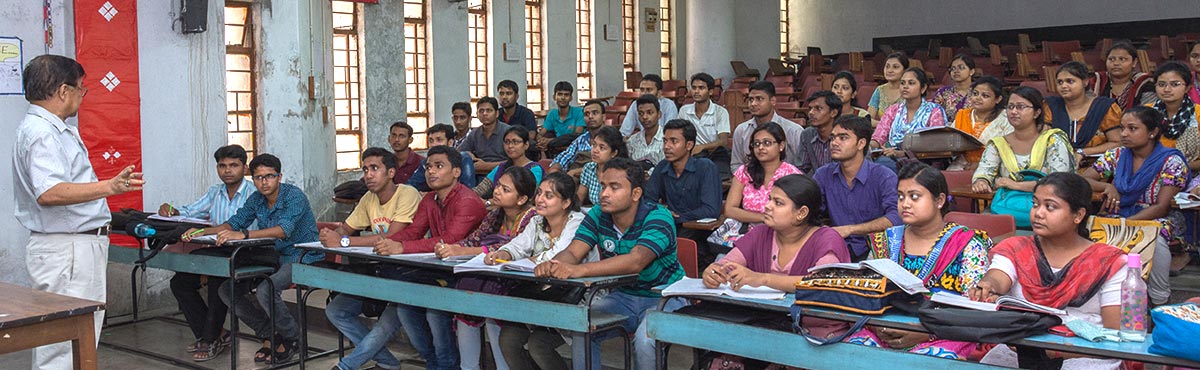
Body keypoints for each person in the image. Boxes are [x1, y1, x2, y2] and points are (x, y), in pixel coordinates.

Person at [13, 54, 143, 370]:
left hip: (72, 246)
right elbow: (50, 192)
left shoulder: (54, 128)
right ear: (63, 91)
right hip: (67, 250)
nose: (82, 96)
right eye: (81, 89)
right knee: (62, 344)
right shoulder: (43, 132)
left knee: (75, 339)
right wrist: (110, 187)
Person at [534, 157, 686, 370]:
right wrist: (554, 264)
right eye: (603, 186)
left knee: (645, 340)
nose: (604, 193)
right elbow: (574, 251)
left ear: (636, 194)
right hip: (624, 296)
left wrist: (578, 270)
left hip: (664, 298)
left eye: (614, 187)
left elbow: (636, 261)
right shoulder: (598, 213)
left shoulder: (658, 216)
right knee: (582, 328)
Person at [972, 173, 1129, 370]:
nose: (1038, 213)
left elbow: (1114, 331)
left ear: (1078, 215)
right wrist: (987, 286)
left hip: (1087, 353)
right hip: (1021, 350)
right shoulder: (1016, 248)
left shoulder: (1109, 262)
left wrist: (1053, 350)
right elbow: (998, 277)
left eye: (1050, 207)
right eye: (1035, 204)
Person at [696, 174, 851, 368]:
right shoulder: (761, 233)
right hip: (768, 322)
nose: (767, 206)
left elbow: (820, 283)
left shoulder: (827, 239)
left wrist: (761, 279)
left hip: (814, 332)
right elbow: (727, 264)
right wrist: (714, 272)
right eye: (770, 199)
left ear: (801, 213)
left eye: (778, 203)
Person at [182, 153, 322, 364]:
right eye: (258, 178)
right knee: (226, 290)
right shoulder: (256, 199)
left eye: (269, 176)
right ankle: (271, 334)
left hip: (302, 256)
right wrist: (203, 231)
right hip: (272, 256)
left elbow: (283, 230)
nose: (264, 182)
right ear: (253, 178)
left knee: (267, 289)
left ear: (279, 176)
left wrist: (244, 235)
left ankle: (293, 338)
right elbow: (235, 222)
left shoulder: (294, 196)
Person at [843, 163, 991, 359]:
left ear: (939, 200)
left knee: (929, 359)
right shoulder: (885, 241)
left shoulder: (966, 245)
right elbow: (867, 294)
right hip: (884, 329)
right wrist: (878, 325)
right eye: (900, 196)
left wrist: (925, 332)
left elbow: (974, 309)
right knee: (854, 351)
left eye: (914, 196)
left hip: (945, 334)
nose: (905, 204)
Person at [374, 146, 489, 370]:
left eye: (439, 166)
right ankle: (433, 361)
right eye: (428, 167)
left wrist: (401, 247)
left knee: (435, 312)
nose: (431, 172)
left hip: (469, 275)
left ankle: (447, 364)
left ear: (456, 172)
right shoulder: (430, 199)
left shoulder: (467, 200)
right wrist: (389, 242)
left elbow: (449, 239)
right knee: (405, 309)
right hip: (439, 271)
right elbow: (413, 231)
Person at [321, 147, 421, 370]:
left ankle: (346, 366)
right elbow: (346, 228)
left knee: (387, 321)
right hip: (379, 272)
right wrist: (331, 235)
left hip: (410, 275)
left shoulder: (407, 194)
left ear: (391, 172)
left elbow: (393, 237)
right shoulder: (368, 198)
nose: (368, 175)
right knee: (336, 310)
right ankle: (387, 363)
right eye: (365, 169)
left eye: (375, 168)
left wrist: (343, 242)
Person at [491, 172, 596, 370]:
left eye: (548, 195)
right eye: (539, 193)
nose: (539, 199)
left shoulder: (578, 222)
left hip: (577, 297)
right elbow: (517, 246)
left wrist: (527, 260)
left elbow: (557, 258)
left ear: (565, 203)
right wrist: (503, 254)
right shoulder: (537, 221)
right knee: (508, 340)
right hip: (543, 294)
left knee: (539, 346)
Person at [161, 144, 256, 362]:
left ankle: (210, 338)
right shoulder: (215, 192)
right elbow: (190, 211)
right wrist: (171, 210)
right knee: (180, 283)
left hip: (246, 252)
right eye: (222, 166)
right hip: (215, 253)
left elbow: (235, 227)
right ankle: (215, 334)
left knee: (216, 277)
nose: (227, 170)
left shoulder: (254, 193)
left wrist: (205, 231)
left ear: (245, 167)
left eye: (234, 165)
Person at [438, 166, 538, 370]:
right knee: (467, 297)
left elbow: (509, 248)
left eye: (505, 189)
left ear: (521, 198)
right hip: (485, 278)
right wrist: (451, 248)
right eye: (498, 185)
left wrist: (466, 252)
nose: (497, 191)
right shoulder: (494, 214)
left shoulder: (532, 218)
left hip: (516, 284)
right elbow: (474, 239)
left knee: (491, 307)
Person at [1082, 106, 1184, 305]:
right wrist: (1105, 186)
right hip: (1118, 216)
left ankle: (1159, 298)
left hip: (1155, 218)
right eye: (1122, 128)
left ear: (1153, 132)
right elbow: (1084, 180)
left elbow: (1161, 206)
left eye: (1132, 128)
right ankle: (1097, 298)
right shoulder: (1117, 155)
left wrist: (1125, 225)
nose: (1124, 134)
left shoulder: (1171, 161)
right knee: (1088, 234)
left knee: (1155, 239)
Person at [972, 87, 1075, 227]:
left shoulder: (1053, 141)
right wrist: (981, 181)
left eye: (1021, 107)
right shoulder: (998, 144)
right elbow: (984, 172)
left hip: (1049, 209)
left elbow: (1059, 182)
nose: (1014, 112)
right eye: (1010, 107)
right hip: (1007, 207)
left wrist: (1015, 185)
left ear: (1037, 112)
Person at [812, 116, 901, 261]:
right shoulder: (823, 175)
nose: (834, 143)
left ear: (861, 143)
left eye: (843, 138)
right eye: (833, 138)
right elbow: (810, 212)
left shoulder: (883, 176)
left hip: (876, 250)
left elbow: (896, 217)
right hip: (836, 247)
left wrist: (850, 229)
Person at [643, 119, 723, 265]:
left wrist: (678, 217)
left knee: (679, 240)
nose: (666, 147)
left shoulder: (705, 167)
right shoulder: (662, 167)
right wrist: (663, 211)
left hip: (698, 231)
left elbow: (711, 210)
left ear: (689, 145)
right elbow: (648, 200)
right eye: (665, 141)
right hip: (669, 225)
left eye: (673, 141)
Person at [722, 122, 803, 249]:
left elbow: (796, 213)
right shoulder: (745, 172)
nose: (760, 148)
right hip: (749, 235)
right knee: (722, 262)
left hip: (783, 236)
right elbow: (730, 209)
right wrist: (763, 218)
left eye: (767, 143)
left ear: (781, 146)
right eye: (756, 144)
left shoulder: (792, 174)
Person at [871, 67, 947, 171]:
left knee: (884, 166)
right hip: (893, 157)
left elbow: (934, 144)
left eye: (911, 83)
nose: (905, 87)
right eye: (902, 83)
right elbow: (879, 137)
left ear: (923, 88)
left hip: (923, 160)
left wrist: (903, 154)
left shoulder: (934, 111)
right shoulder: (893, 110)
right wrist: (869, 146)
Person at [1046, 61, 1123, 162]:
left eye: (1070, 81)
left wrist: (1083, 152)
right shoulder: (1051, 106)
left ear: (1085, 82)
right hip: (1057, 166)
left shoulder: (1104, 107)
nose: (1063, 86)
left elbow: (1117, 143)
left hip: (1097, 168)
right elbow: (1042, 141)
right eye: (1060, 82)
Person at [730, 81, 804, 173]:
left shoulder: (793, 131)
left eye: (759, 99)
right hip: (751, 182)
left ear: (773, 101)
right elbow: (736, 165)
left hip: (786, 183)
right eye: (751, 99)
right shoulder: (741, 130)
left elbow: (802, 167)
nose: (753, 104)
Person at [1146, 61, 1200, 170]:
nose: (1167, 89)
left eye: (1175, 84)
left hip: (1192, 173)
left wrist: (1176, 168)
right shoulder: (1146, 112)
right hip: (1150, 170)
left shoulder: (1198, 113)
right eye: (1161, 84)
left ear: (1187, 88)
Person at [677, 72, 732, 178]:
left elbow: (723, 141)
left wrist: (702, 147)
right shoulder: (684, 110)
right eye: (694, 88)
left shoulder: (720, 112)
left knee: (718, 178)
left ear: (710, 91)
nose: (696, 91)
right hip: (692, 154)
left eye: (701, 88)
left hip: (715, 153)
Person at [953, 76, 1012, 169]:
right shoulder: (963, 115)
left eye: (985, 96)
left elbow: (1009, 150)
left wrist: (980, 164)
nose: (978, 98)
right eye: (975, 94)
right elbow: (952, 142)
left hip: (995, 167)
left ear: (998, 99)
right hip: (962, 165)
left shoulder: (1006, 119)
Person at [472, 125, 544, 198]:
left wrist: (491, 203)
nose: (510, 146)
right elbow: (480, 189)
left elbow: (529, 197)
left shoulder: (534, 168)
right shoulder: (501, 167)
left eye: (515, 142)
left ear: (526, 145)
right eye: (507, 142)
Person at [408, 123, 476, 191]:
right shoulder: (426, 163)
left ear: (450, 143)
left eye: (439, 140)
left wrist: (431, 195)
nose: (433, 145)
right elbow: (411, 185)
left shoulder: (463, 159)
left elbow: (467, 190)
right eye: (431, 141)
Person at [1090, 42, 1157, 111]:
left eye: (1122, 59)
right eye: (1111, 59)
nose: (1116, 63)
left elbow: (1147, 112)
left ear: (1134, 62)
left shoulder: (1145, 83)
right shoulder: (1097, 82)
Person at [547, 99, 606, 174]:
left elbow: (609, 165)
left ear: (603, 117)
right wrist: (555, 167)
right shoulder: (581, 139)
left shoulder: (611, 138)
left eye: (595, 113)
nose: (590, 116)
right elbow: (566, 155)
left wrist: (576, 172)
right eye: (587, 114)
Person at [578, 126, 628, 206]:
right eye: (594, 145)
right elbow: (579, 198)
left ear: (614, 153)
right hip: (594, 213)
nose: (595, 150)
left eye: (602, 148)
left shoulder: (621, 173)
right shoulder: (588, 168)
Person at [459, 97, 511, 173]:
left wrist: (487, 165)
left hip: (503, 173)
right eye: (481, 111)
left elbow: (515, 160)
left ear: (497, 114)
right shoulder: (475, 133)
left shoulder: (508, 131)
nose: (485, 114)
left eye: (489, 110)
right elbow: (458, 151)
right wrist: (468, 154)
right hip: (479, 174)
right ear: (477, 114)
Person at [797, 90, 843, 173]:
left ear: (833, 113)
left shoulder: (847, 135)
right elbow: (800, 169)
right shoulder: (807, 134)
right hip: (817, 184)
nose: (811, 113)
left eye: (818, 108)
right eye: (810, 108)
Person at [541, 81, 586, 157]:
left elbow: (577, 135)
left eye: (566, 95)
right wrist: (541, 141)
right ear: (554, 97)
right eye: (560, 94)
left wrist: (551, 141)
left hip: (575, 148)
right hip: (556, 147)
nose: (563, 98)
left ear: (571, 98)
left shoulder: (578, 112)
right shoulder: (552, 114)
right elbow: (541, 133)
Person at [930, 54, 977, 121]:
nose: (956, 71)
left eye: (961, 67)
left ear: (972, 71)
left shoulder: (979, 92)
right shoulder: (943, 92)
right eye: (953, 68)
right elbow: (933, 116)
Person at [868, 52, 910, 122]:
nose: (890, 70)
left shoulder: (910, 90)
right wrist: (884, 126)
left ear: (905, 70)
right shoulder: (879, 90)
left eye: (895, 67)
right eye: (887, 66)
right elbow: (868, 120)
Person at [627, 94, 666, 165]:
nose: (645, 117)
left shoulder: (666, 139)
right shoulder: (632, 141)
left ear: (659, 114)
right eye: (641, 113)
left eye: (649, 113)